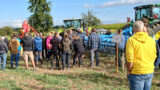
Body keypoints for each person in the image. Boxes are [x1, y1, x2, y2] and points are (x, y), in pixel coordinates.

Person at [126, 21, 157, 90]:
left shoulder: (131, 40)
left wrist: (128, 71)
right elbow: (154, 55)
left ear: (133, 29)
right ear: (143, 28)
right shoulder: (152, 40)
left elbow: (130, 58)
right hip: (149, 71)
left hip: (137, 72)